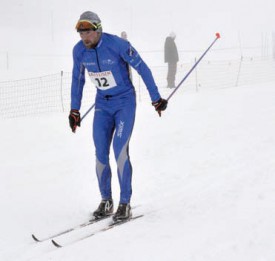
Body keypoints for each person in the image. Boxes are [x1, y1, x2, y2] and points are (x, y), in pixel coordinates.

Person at [69, 11, 168, 222]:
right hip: (102, 105)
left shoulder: (117, 45)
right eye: (81, 34)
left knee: (119, 150)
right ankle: (106, 200)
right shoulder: (79, 52)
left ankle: (125, 202)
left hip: (124, 102)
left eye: (87, 33)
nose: (84, 38)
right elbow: (77, 80)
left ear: (97, 29)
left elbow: (142, 68)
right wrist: (74, 110)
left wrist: (156, 98)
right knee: (100, 153)